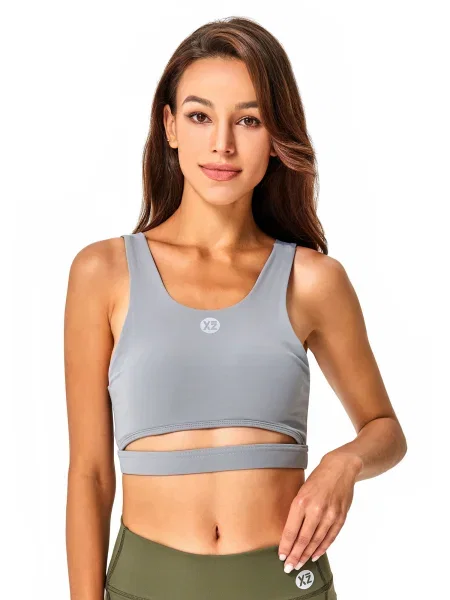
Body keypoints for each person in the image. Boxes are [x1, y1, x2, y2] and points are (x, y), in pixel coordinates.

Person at [64, 16, 407, 600]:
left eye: (249, 120)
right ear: (170, 126)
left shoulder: (312, 281)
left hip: (286, 584)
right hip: (146, 584)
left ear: (275, 135)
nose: (222, 144)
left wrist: (342, 465)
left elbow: (385, 430)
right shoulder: (103, 272)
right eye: (200, 116)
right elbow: (90, 475)